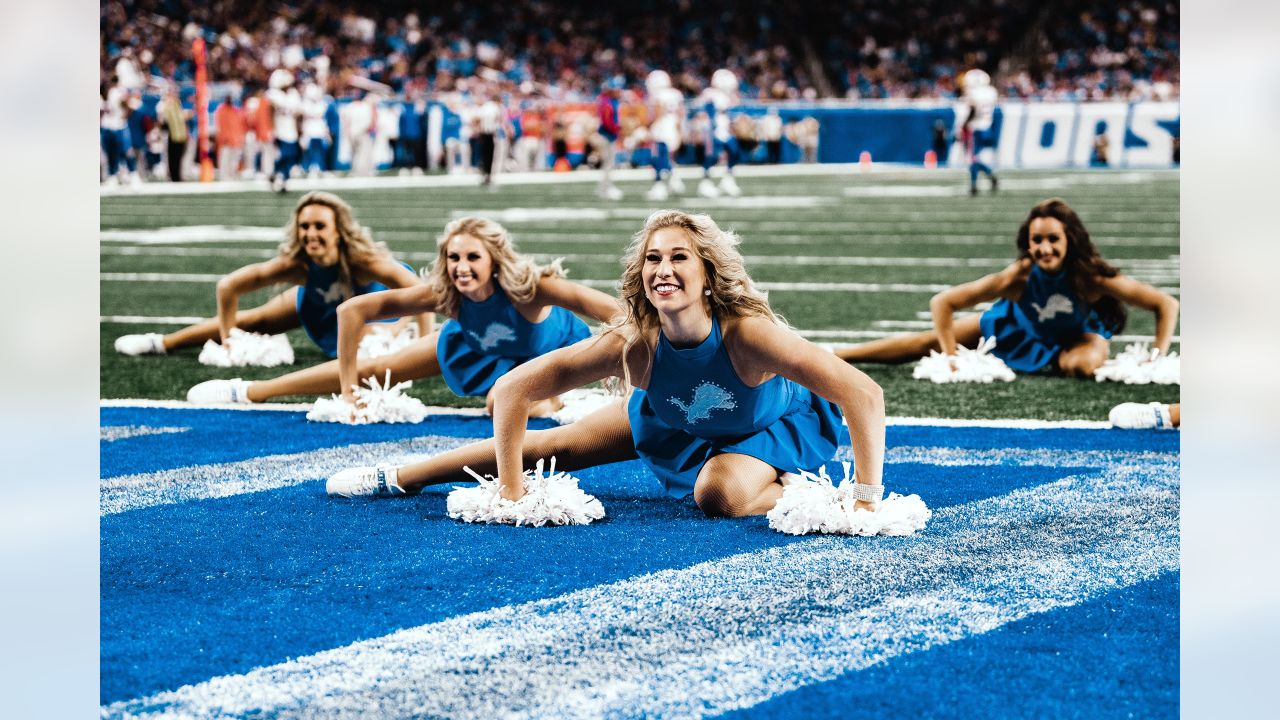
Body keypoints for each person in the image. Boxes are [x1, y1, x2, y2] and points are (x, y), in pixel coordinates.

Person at [328, 210, 888, 524]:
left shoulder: (748, 334)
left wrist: (865, 496)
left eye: (678, 257)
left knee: (718, 495)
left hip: (765, 427)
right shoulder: (634, 342)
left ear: (709, 273)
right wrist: (513, 490)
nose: (662, 268)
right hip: (672, 416)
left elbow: (862, 395)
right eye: (652, 258)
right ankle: (398, 478)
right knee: (551, 447)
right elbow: (514, 387)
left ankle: (797, 490)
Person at [187, 216, 622, 413]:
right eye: (453, 257)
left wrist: (617, 360)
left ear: (495, 259)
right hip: (476, 348)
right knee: (377, 369)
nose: (461, 267)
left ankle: (566, 397)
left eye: (472, 257)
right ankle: (251, 391)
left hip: (548, 355)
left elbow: (605, 307)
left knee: (500, 402)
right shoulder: (448, 292)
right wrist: (347, 389)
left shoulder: (530, 289)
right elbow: (354, 310)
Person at [834, 198, 1180, 378]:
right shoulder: (1018, 277)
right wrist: (952, 358)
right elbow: (944, 302)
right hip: (1017, 328)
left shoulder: (1091, 277)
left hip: (1076, 336)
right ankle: (838, 355)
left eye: (1053, 240)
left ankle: (1052, 360)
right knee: (929, 343)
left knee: (1083, 366)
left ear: (1070, 240)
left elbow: (1165, 304)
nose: (1045, 248)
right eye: (1037, 240)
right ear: (1027, 243)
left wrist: (1157, 356)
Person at [114, 191, 427, 365]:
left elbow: (423, 294)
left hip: (374, 314)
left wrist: (418, 339)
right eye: (305, 226)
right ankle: (161, 343)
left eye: (320, 226)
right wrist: (229, 342)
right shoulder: (298, 265)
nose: (310, 234)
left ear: (338, 230)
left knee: (369, 345)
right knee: (253, 322)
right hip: (319, 306)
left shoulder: (362, 260)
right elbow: (228, 286)